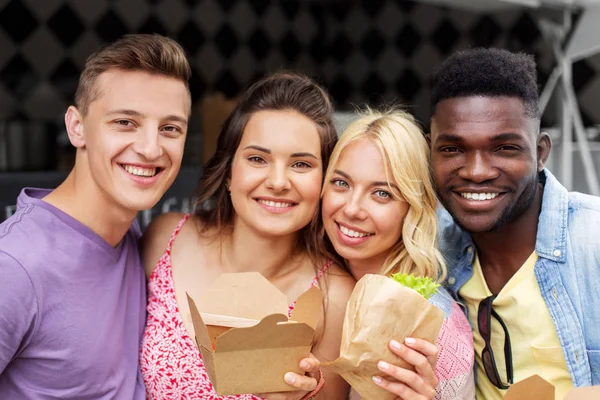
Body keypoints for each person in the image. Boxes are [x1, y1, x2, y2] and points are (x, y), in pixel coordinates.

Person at [140, 71, 355, 399]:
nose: (278, 181)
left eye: (301, 165)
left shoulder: (334, 296)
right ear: (228, 172)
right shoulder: (166, 238)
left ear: (324, 181)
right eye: (257, 159)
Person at [0, 34, 191, 398]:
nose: (151, 149)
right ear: (76, 127)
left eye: (170, 128)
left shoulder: (134, 234)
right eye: (125, 122)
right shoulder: (14, 266)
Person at [430, 47, 600, 399]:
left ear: (539, 153)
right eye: (452, 149)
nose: (476, 171)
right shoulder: (432, 257)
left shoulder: (593, 240)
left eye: (504, 148)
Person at [320, 109, 476, 400]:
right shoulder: (311, 283)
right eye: (341, 183)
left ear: (413, 210)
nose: (352, 208)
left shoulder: (434, 325)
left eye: (382, 194)